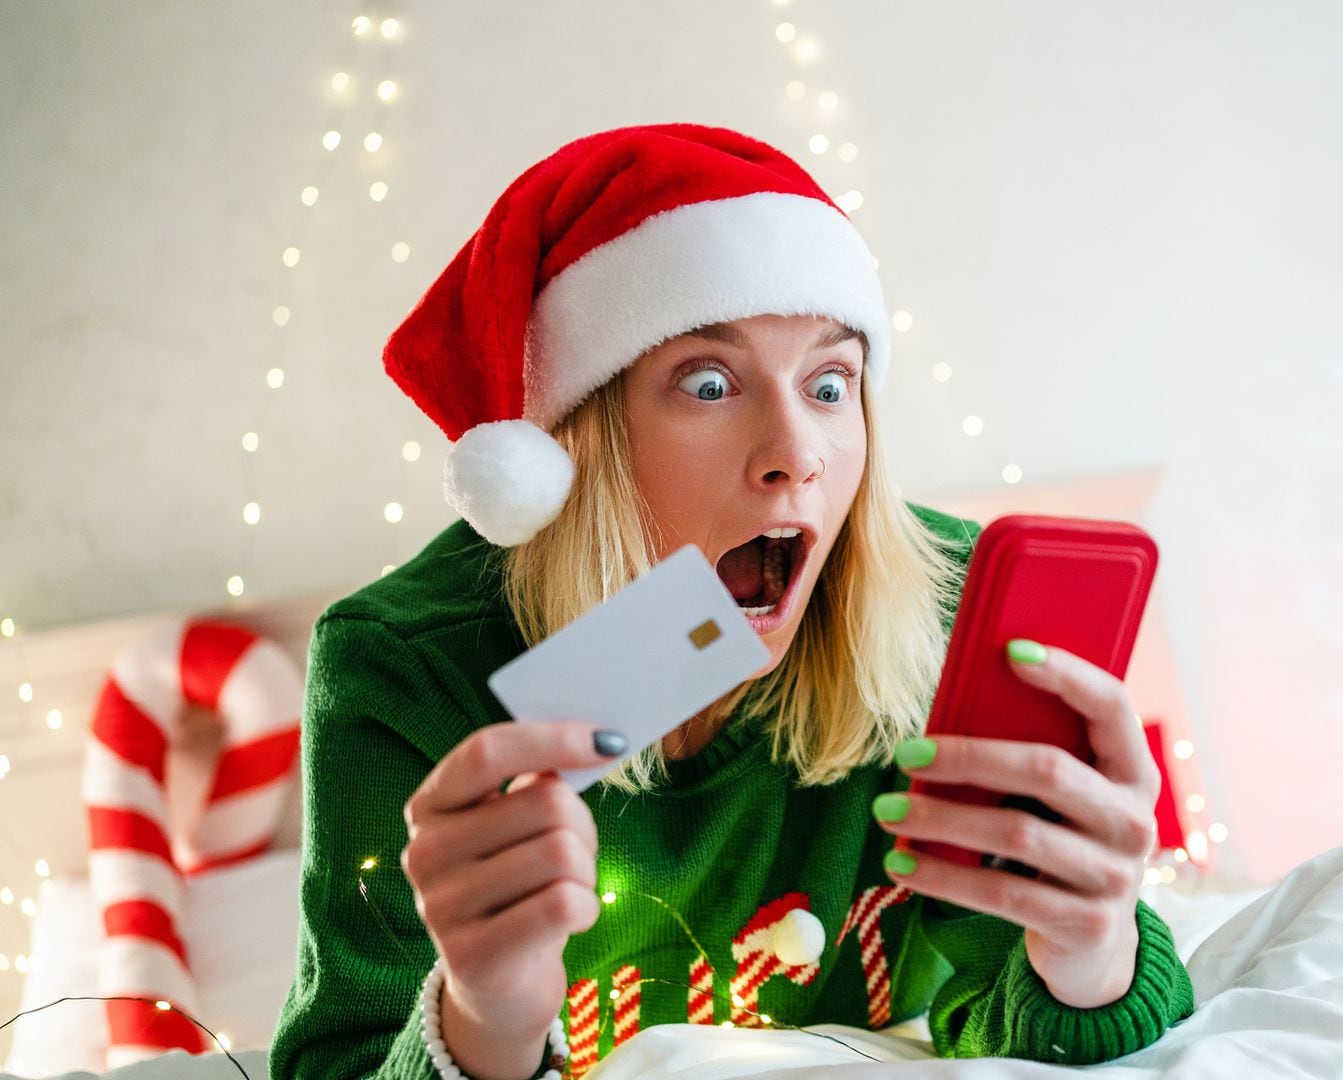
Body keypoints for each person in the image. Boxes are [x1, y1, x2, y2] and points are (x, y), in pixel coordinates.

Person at [268, 124, 1192, 1080]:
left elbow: (1008, 1017)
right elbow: (341, 1058)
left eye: (830, 384)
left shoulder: (947, 606)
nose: (797, 451)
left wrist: (1092, 956)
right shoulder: (404, 666)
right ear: (582, 440)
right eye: (708, 384)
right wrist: (481, 1022)